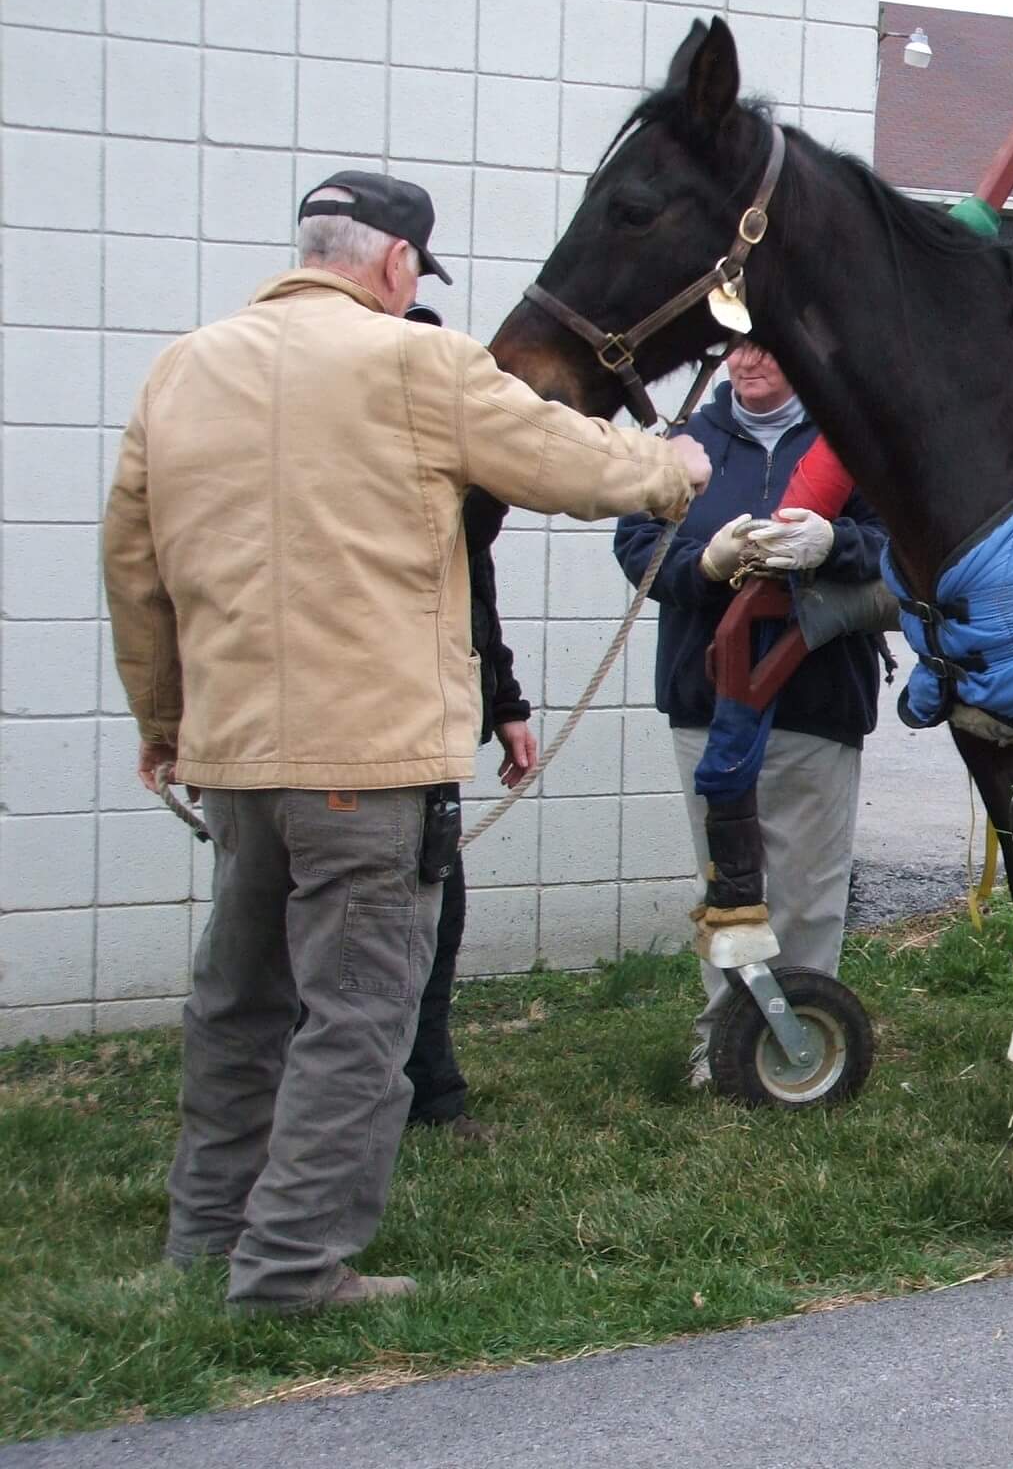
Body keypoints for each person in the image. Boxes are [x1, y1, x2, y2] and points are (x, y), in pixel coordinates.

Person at [104, 171, 710, 1312]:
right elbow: (566, 462)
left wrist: (163, 722)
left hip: (235, 763)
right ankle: (289, 1273)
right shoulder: (414, 361)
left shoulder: (182, 369)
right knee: (355, 1021)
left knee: (237, 1008)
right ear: (394, 266)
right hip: (371, 770)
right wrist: (669, 470)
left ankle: (205, 1242)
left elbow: (134, 567)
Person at [612, 338, 886, 1087]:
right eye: (735, 347)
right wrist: (702, 565)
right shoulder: (683, 443)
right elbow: (636, 542)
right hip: (707, 697)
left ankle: (802, 1033)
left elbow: (904, 549)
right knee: (725, 886)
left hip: (817, 698)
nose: (748, 361)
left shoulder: (856, 437)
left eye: (767, 345)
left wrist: (835, 545)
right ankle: (726, 1043)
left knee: (805, 888)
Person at [394, 305, 538, 1145]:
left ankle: (430, 1090)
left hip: (438, 723)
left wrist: (507, 703)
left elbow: (473, 590)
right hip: (373, 729)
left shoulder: (449, 468)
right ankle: (397, 1098)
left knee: (437, 908)